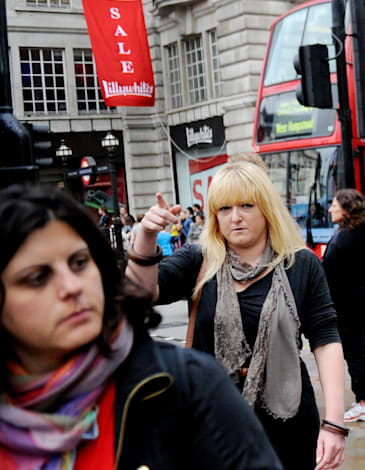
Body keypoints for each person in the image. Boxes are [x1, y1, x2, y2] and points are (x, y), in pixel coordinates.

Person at [0, 185, 285, 470]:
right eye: (38, 278)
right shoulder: (198, 257)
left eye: (79, 262)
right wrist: (147, 236)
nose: (72, 287)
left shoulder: (188, 385)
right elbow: (148, 291)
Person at [125, 163, 348, 470]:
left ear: (266, 208)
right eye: (224, 208)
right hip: (211, 420)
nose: (235, 217)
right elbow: (139, 295)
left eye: (246, 205)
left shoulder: (300, 264)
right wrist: (146, 236)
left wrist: (334, 423)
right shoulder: (199, 259)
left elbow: (326, 339)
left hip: (289, 422)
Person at [322, 189, 365, 423]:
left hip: (348, 301)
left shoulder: (342, 237)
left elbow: (327, 270)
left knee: (354, 351)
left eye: (334, 205)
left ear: (346, 209)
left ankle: (364, 403)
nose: (330, 209)